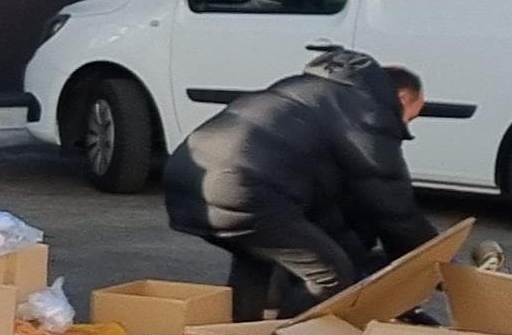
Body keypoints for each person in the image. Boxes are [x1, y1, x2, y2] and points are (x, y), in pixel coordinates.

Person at [160, 51, 441, 318]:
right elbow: (392, 207)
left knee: (256, 255)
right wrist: (432, 260)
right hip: (244, 187)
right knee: (330, 277)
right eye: (411, 117)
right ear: (403, 97)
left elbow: (325, 202)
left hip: (188, 176)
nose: (405, 127)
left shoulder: (308, 90)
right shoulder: (368, 111)